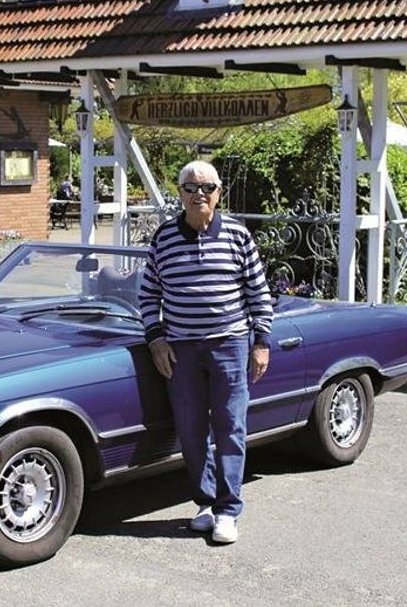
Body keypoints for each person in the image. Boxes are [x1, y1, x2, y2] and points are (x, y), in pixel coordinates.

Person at [138, 160, 273, 544]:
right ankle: (206, 504)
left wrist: (261, 341)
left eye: (208, 187)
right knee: (191, 428)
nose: (200, 193)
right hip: (181, 349)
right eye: (190, 187)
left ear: (219, 193)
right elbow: (149, 294)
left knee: (230, 427)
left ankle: (229, 510)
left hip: (230, 344)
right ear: (179, 193)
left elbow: (258, 292)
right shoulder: (163, 238)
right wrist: (156, 338)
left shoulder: (237, 235)